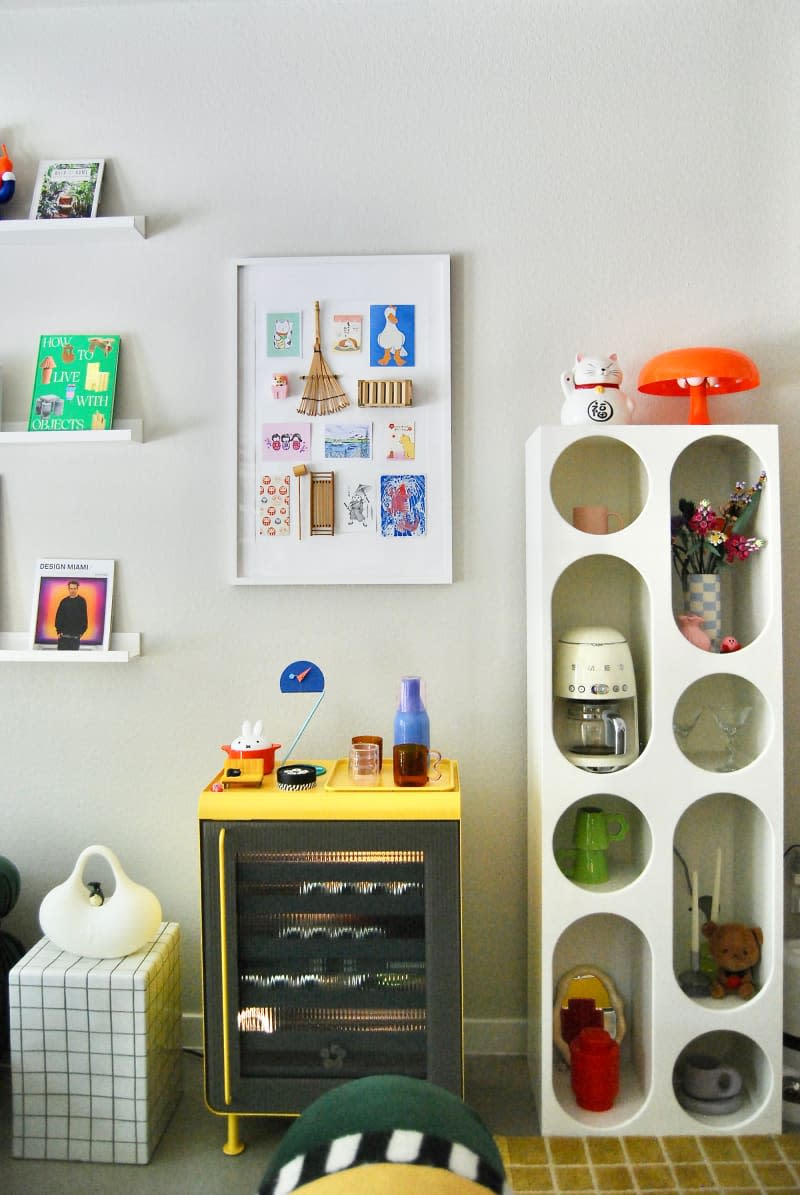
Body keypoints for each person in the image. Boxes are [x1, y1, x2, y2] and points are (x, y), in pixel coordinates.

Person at [54, 580, 88, 650]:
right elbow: (58, 616)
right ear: (68, 589)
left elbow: (84, 618)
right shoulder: (64, 601)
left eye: (74, 588)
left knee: (73, 659)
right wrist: (58, 631)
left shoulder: (82, 601)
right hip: (63, 637)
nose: (73, 590)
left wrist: (81, 632)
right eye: (71, 588)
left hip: (75, 638)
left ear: (77, 589)